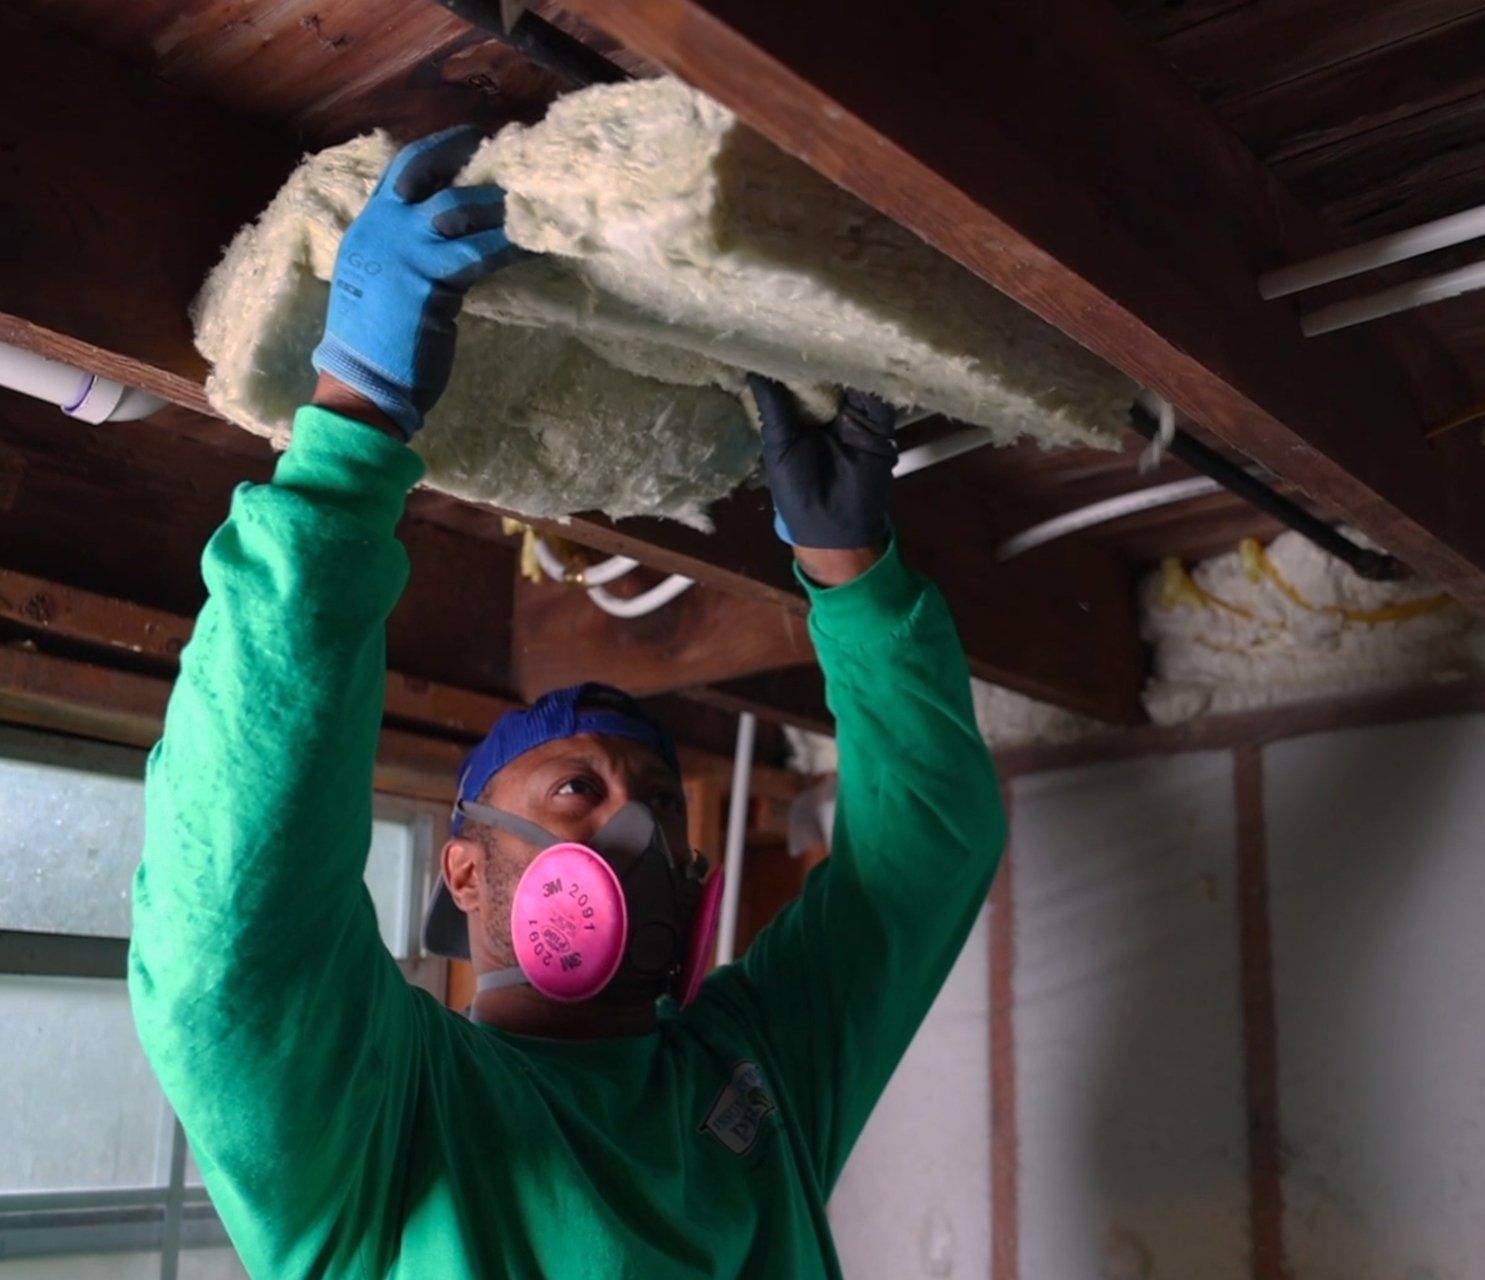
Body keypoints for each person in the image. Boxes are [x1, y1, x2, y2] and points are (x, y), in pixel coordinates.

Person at [128, 125, 1006, 1278]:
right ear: (464, 866)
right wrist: (349, 431)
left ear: (696, 883)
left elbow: (927, 857)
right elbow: (233, 929)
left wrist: (850, 578)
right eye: (577, 788)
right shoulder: (385, 1113)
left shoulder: (755, 1077)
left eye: (652, 802)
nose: (627, 825)